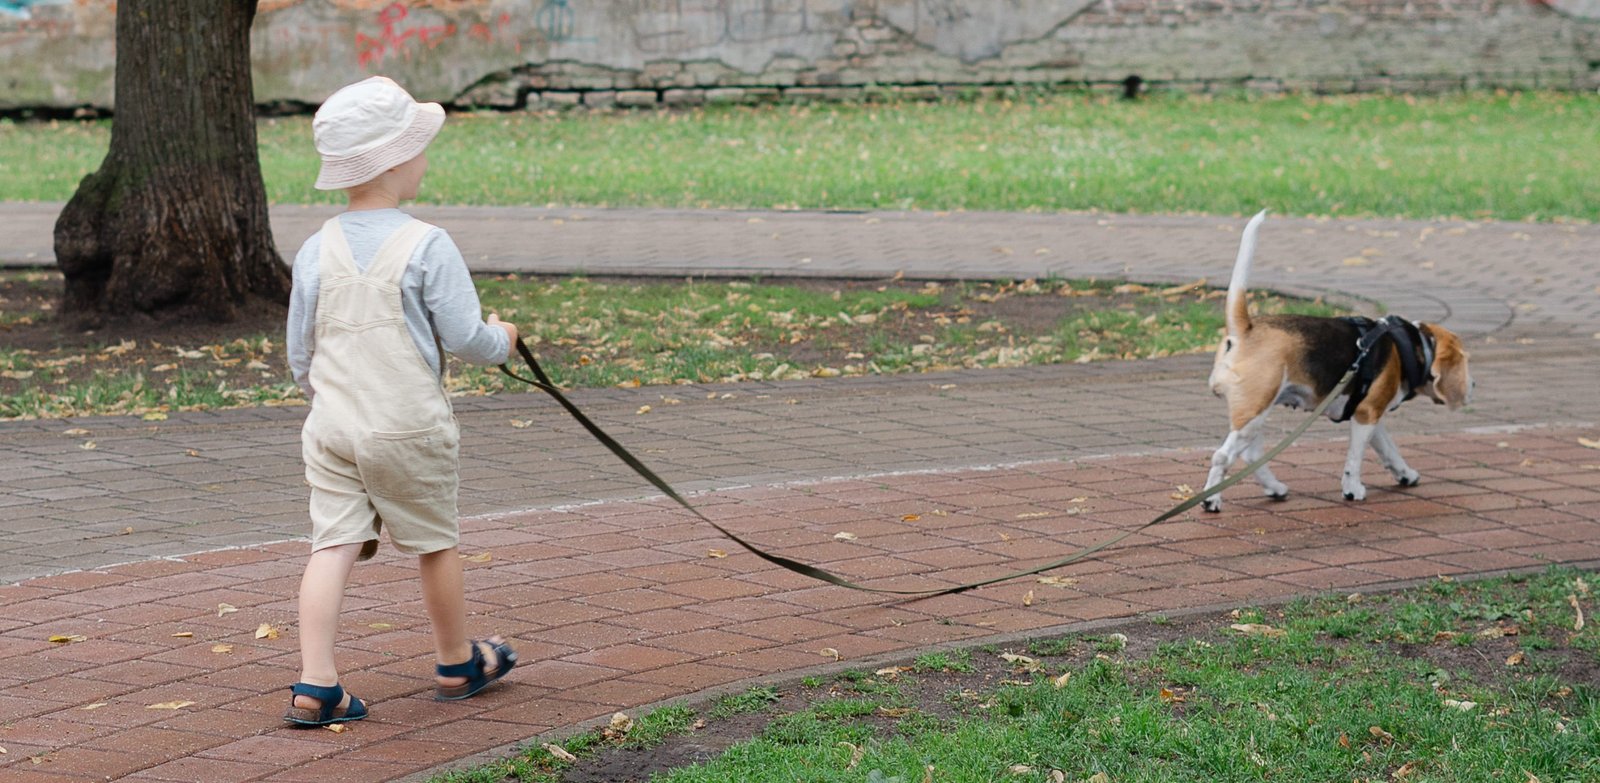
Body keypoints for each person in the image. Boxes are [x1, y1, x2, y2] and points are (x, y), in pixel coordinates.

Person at [283, 76, 518, 726]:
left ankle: (316, 682)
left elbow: (300, 350)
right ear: (394, 160)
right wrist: (507, 339)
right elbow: (467, 338)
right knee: (435, 541)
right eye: (419, 147)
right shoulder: (427, 244)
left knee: (331, 545)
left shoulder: (313, 248)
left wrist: (323, 398)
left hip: (331, 426)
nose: (425, 158)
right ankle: (454, 659)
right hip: (407, 427)